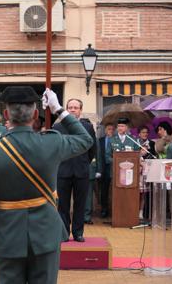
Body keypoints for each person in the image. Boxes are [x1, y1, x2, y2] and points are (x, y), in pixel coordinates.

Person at [0, 86, 93, 284]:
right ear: (36, 114)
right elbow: (85, 139)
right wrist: (59, 110)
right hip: (46, 233)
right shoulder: (52, 142)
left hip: (8, 234)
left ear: (5, 115)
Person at [53, 99, 96, 242]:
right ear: (66, 109)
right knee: (63, 205)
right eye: (70, 107)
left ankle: (78, 233)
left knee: (80, 203)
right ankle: (64, 232)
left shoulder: (87, 127)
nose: (72, 110)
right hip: (63, 171)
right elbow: (55, 150)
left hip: (81, 171)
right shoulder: (57, 127)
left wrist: (84, 163)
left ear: (80, 110)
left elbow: (93, 149)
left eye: (75, 108)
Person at [137, 126, 156, 219]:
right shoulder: (135, 142)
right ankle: (134, 210)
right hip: (137, 172)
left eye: (146, 132)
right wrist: (140, 155)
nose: (145, 134)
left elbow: (154, 157)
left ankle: (141, 212)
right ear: (139, 134)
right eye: (143, 132)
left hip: (147, 171)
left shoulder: (151, 143)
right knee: (136, 193)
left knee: (144, 193)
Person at [97, 123, 115, 218]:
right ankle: (104, 209)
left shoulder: (116, 141)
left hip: (112, 167)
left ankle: (114, 210)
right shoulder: (100, 141)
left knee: (113, 190)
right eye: (109, 129)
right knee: (103, 190)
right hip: (102, 168)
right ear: (105, 130)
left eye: (112, 129)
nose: (110, 131)